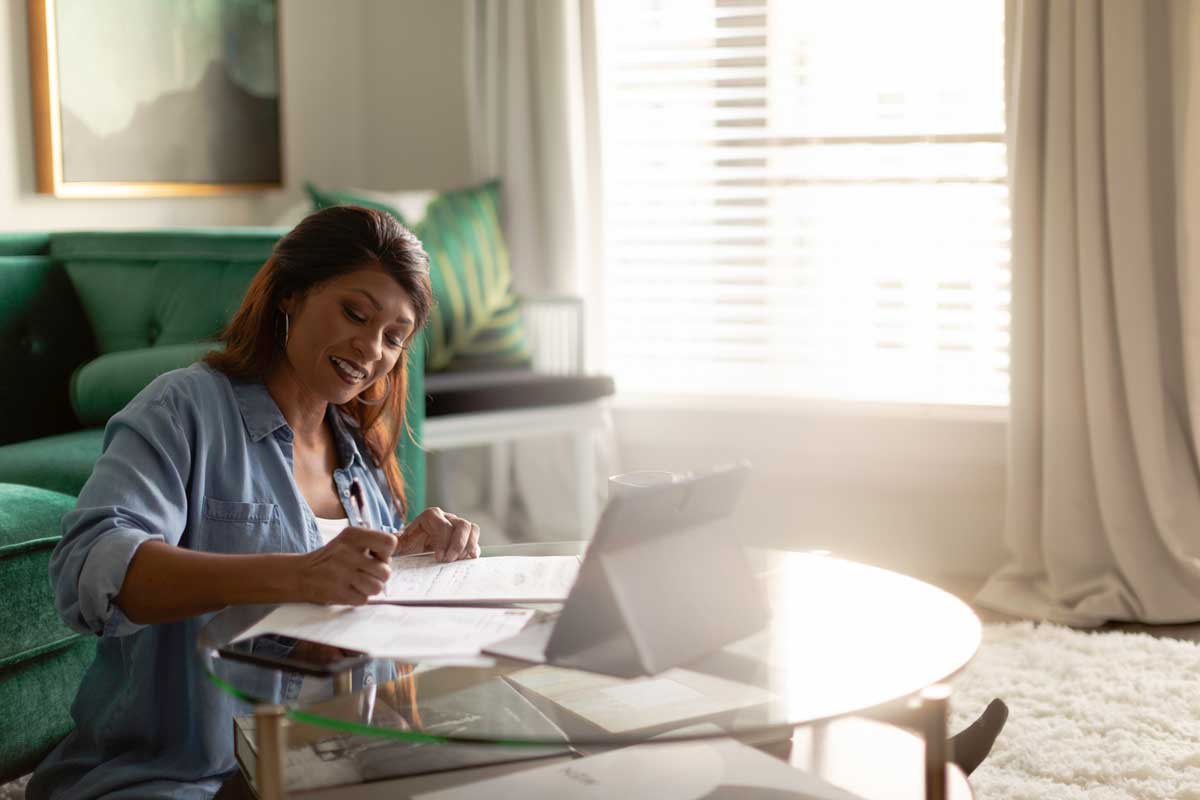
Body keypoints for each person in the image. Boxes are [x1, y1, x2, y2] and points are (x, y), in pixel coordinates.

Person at [28, 206, 478, 799]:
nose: (371, 349)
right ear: (291, 295)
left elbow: (342, 654)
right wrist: (298, 576)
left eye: (394, 338)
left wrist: (407, 566)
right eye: (354, 313)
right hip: (181, 779)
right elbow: (92, 572)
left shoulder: (364, 464)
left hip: (322, 770)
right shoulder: (185, 408)